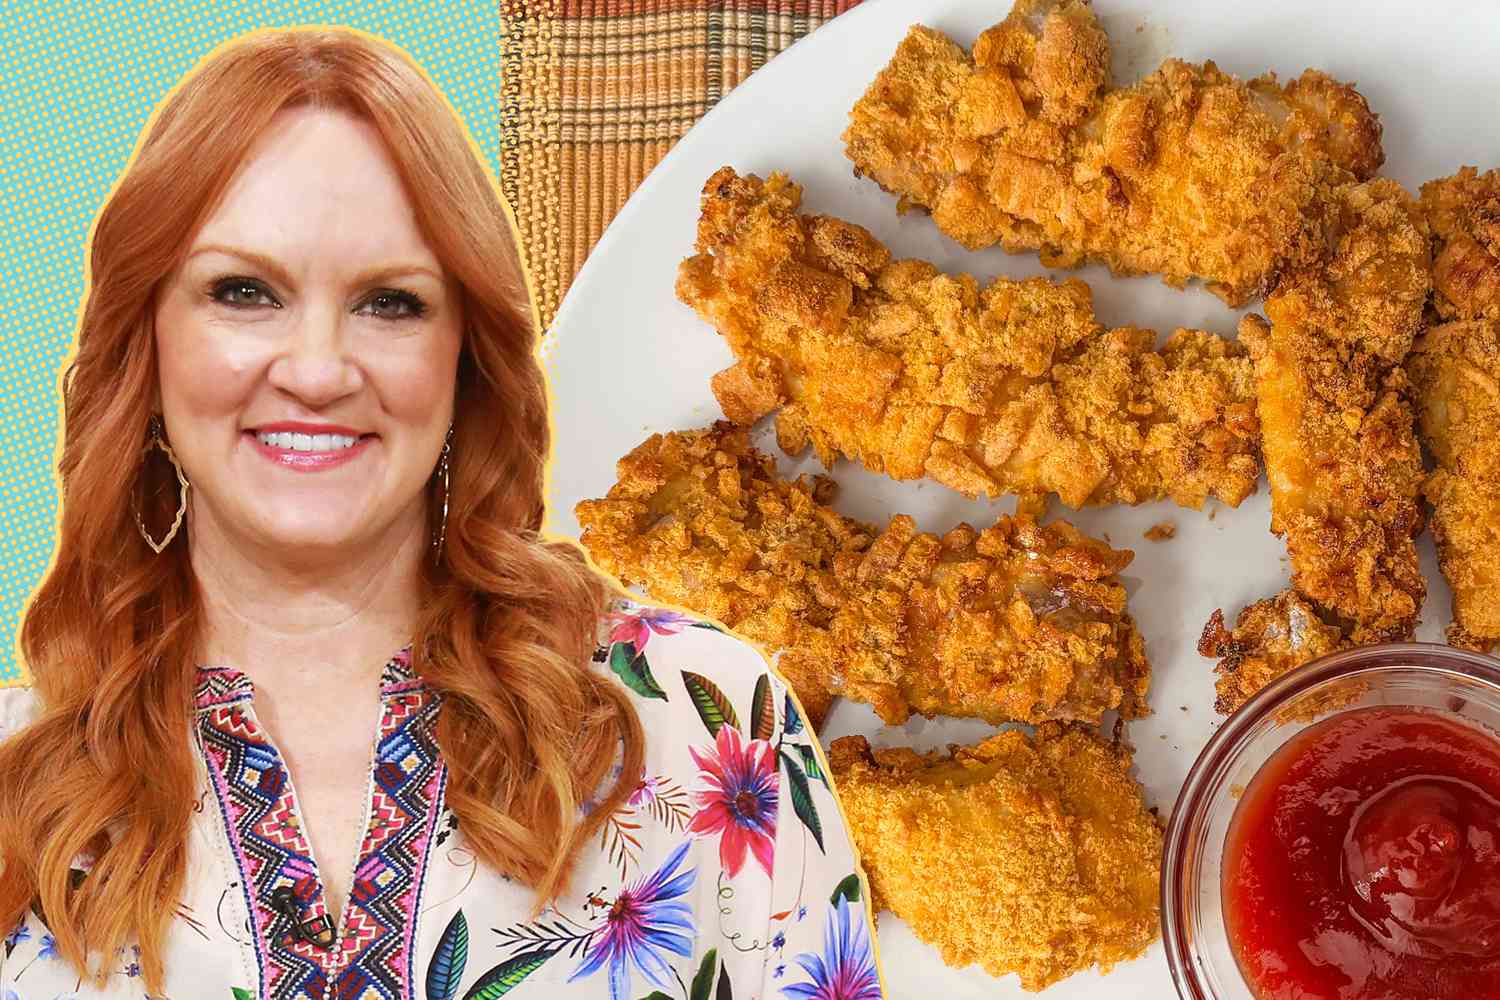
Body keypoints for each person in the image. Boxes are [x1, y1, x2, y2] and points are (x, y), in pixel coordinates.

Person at [0, 28, 881, 1000]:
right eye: (242, 292)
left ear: (468, 357)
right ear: (145, 344)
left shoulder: (707, 726)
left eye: (390, 302)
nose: (318, 369)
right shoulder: (14, 792)